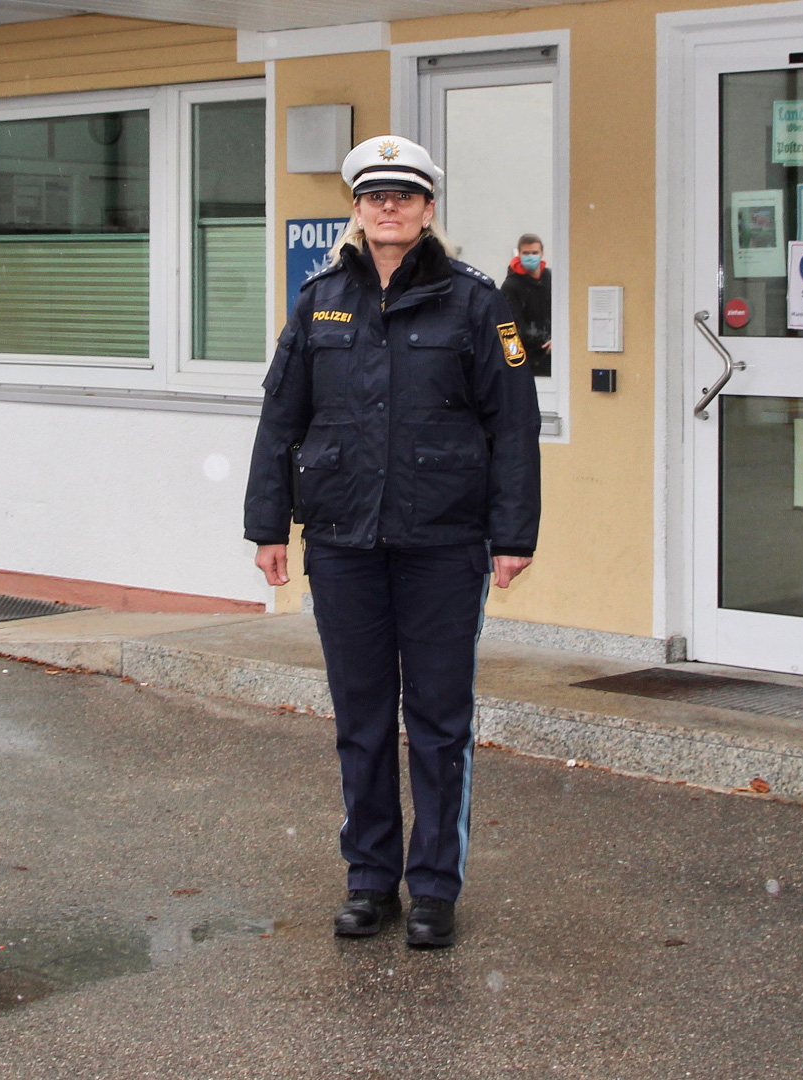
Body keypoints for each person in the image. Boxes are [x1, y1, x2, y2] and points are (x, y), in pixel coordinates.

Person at [243, 135, 541, 950]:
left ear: (428, 209)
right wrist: (268, 524)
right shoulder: (319, 300)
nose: (388, 208)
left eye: (404, 196)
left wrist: (513, 534)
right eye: (374, 196)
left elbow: (513, 425)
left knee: (440, 719)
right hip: (341, 539)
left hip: (444, 542)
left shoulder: (477, 303)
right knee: (362, 717)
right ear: (357, 208)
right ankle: (370, 880)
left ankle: (435, 886)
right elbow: (282, 418)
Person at [499, 233, 552, 378]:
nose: (531, 256)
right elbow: (513, 325)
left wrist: (558, 340)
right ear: (519, 254)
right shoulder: (511, 285)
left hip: (552, 358)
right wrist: (546, 339)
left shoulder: (551, 279)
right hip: (527, 359)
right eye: (526, 253)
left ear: (542, 253)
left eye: (535, 252)